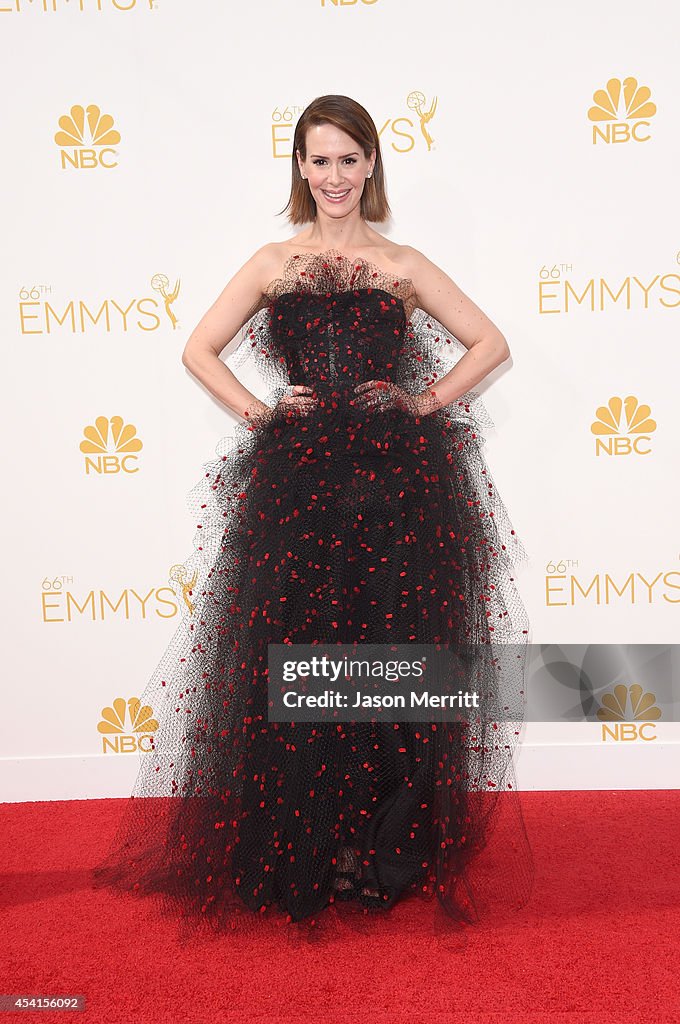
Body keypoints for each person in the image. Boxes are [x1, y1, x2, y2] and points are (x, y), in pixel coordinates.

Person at [92, 94, 534, 943]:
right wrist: (262, 414)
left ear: (372, 165)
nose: (334, 176)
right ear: (300, 166)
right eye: (319, 160)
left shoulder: (402, 264)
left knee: (394, 666)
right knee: (295, 671)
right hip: (296, 494)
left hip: (397, 490)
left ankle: (381, 853)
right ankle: (311, 845)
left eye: (349, 159)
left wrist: (423, 400)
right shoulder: (273, 261)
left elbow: (491, 343)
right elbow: (197, 348)